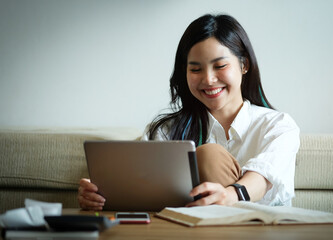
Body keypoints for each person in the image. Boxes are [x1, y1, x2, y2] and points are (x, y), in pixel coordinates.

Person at [78, 14, 300, 211]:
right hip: (183, 233)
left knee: (208, 156)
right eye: (195, 69)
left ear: (244, 65)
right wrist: (99, 195)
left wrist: (230, 194)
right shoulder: (165, 131)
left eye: (220, 66)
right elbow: (140, 190)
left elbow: (263, 177)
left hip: (257, 231)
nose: (208, 79)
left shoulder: (278, 125)